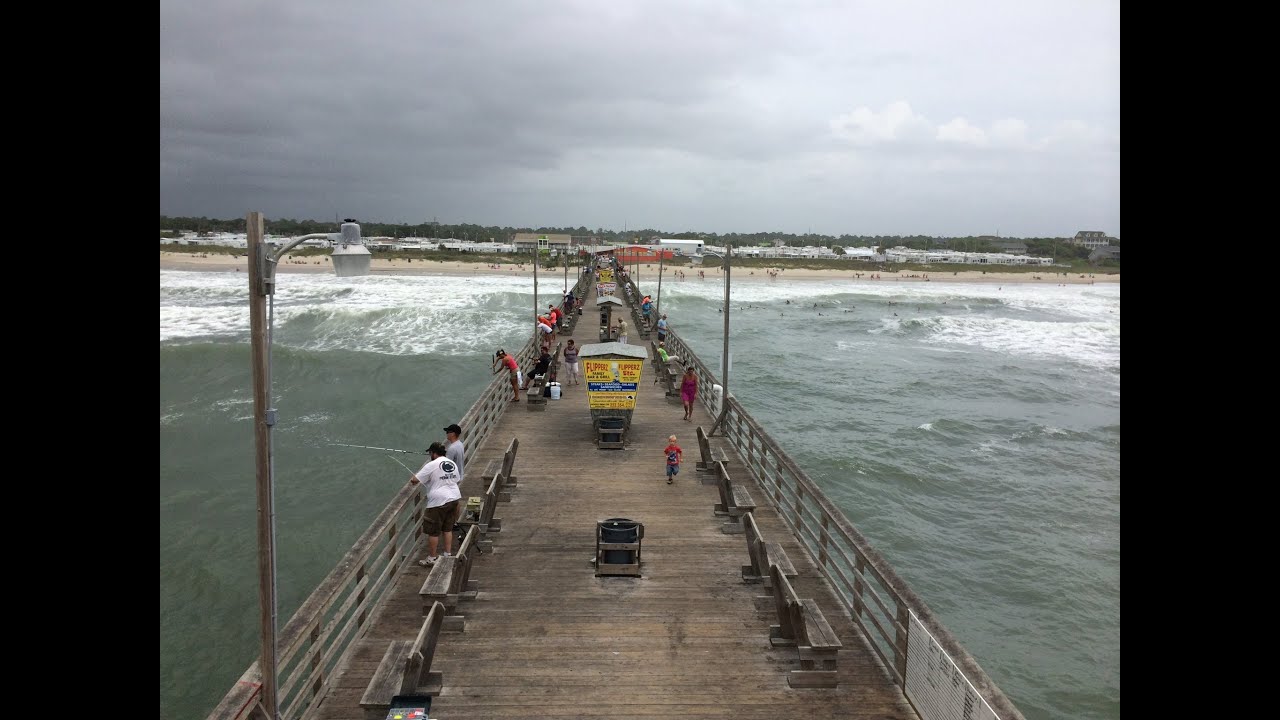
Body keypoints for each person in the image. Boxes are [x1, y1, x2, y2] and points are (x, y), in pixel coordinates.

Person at [411, 441, 462, 566]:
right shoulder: (451, 463)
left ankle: (432, 558)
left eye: (430, 453)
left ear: (433, 453)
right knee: (448, 528)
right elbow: (457, 479)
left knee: (433, 531)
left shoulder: (431, 465)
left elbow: (414, 480)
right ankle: (447, 554)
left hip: (438, 502)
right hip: (454, 497)